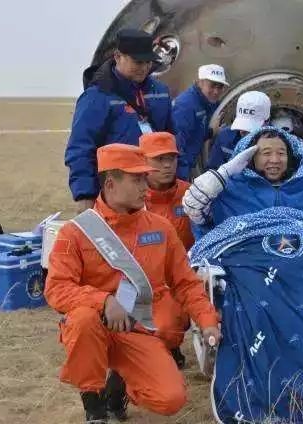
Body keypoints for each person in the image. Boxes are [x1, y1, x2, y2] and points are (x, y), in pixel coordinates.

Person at [45, 144, 220, 423]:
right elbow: (57, 288)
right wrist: (103, 301)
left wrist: (208, 321)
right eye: (137, 179)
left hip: (137, 328)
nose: (145, 187)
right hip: (94, 325)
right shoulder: (74, 233)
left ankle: (119, 384)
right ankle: (94, 406)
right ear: (111, 184)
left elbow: (186, 283)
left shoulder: (160, 229)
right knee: (83, 321)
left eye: (144, 178)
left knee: (171, 399)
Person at [183, 127, 303, 262]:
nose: (275, 160)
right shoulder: (229, 193)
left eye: (281, 153)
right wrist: (225, 171)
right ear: (250, 158)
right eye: (265, 153)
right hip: (245, 270)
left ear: (291, 157)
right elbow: (193, 207)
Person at [65, 29, 173, 213]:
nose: (144, 68)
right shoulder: (97, 96)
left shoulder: (160, 92)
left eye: (148, 62)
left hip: (156, 193)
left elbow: (172, 139)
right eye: (137, 62)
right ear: (117, 56)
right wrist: (85, 195)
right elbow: (80, 148)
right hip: (116, 195)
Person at [140, 131, 193, 368]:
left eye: (171, 158)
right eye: (159, 159)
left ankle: (170, 343)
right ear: (142, 161)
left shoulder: (192, 195)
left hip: (183, 276)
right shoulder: (132, 199)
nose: (167, 165)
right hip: (144, 279)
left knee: (172, 323)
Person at [173, 64, 229, 180]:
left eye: (220, 87)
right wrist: (182, 178)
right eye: (212, 85)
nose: (216, 91)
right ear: (200, 82)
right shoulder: (185, 106)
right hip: (180, 168)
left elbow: (196, 133)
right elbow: (177, 146)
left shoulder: (209, 103)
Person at [206, 91, 271, 170]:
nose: (242, 131)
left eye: (249, 127)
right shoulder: (225, 137)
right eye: (242, 124)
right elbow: (213, 169)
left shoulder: (279, 143)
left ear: (267, 121)